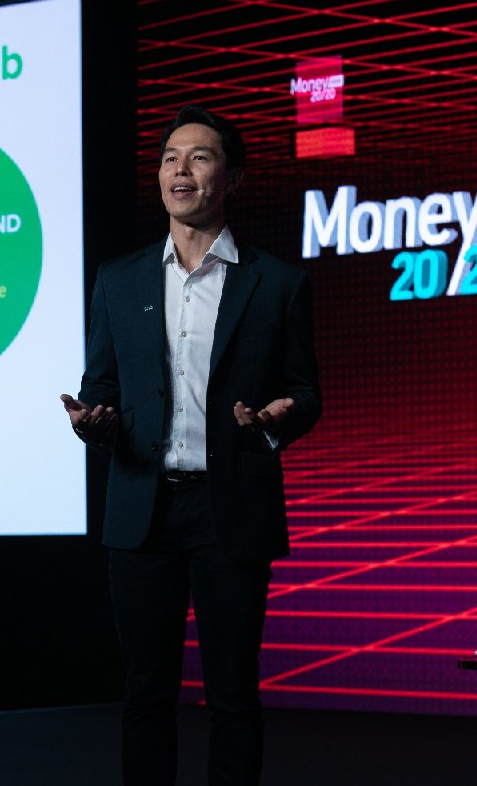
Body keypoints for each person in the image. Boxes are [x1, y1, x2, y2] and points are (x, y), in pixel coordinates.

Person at [61, 105, 321, 785]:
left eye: (199, 157)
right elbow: (102, 383)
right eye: (170, 157)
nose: (180, 169)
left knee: (233, 693)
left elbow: (305, 392)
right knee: (146, 693)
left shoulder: (277, 282)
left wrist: (275, 418)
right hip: (142, 510)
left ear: (230, 178)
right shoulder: (119, 279)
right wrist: (94, 420)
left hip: (230, 509)